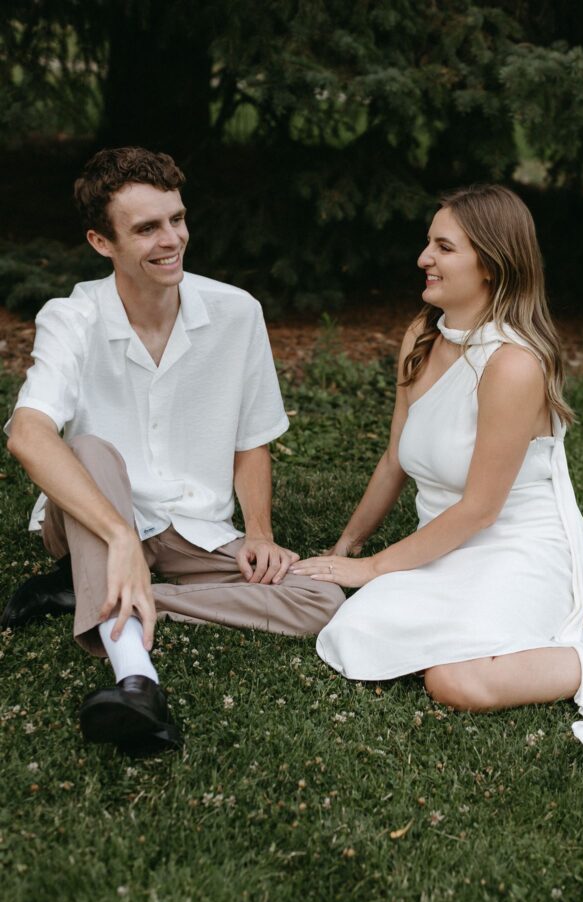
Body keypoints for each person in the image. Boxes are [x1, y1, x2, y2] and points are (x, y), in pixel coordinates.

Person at [291, 184, 583, 745]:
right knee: (355, 631)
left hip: (517, 545)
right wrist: (346, 548)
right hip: (443, 544)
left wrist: (376, 568)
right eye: (429, 243)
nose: (424, 258)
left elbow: (479, 510)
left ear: (492, 268)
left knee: (457, 680)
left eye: (444, 247)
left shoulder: (514, 364)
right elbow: (392, 460)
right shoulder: (421, 337)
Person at [2, 146, 345, 756]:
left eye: (177, 219)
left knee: (318, 599)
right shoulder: (72, 317)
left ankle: (99, 595)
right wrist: (120, 536)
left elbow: (251, 440)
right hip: (92, 514)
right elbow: (28, 435)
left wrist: (260, 531)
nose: (172, 240)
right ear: (100, 242)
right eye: (147, 228)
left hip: (193, 527)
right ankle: (137, 680)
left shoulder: (237, 313)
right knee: (87, 447)